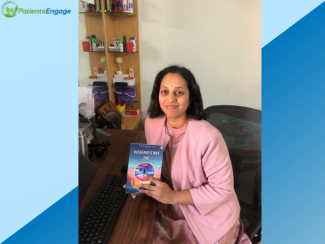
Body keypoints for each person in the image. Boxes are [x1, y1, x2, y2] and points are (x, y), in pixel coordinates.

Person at [125, 65, 251, 244]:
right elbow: (153, 160)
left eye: (178, 93)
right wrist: (140, 181)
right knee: (133, 232)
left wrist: (172, 197)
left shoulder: (208, 137)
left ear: (190, 97)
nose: (170, 99)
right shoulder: (152, 123)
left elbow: (223, 190)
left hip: (210, 216)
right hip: (171, 203)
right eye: (164, 91)